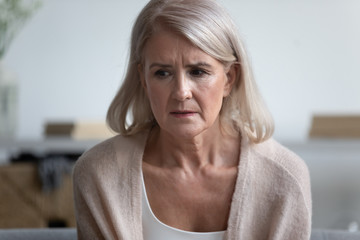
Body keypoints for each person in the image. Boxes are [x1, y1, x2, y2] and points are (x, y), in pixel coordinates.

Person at [72, 0, 312, 239]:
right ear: (144, 80)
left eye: (198, 72)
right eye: (162, 73)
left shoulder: (284, 178)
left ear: (229, 78)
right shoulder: (100, 174)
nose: (181, 92)